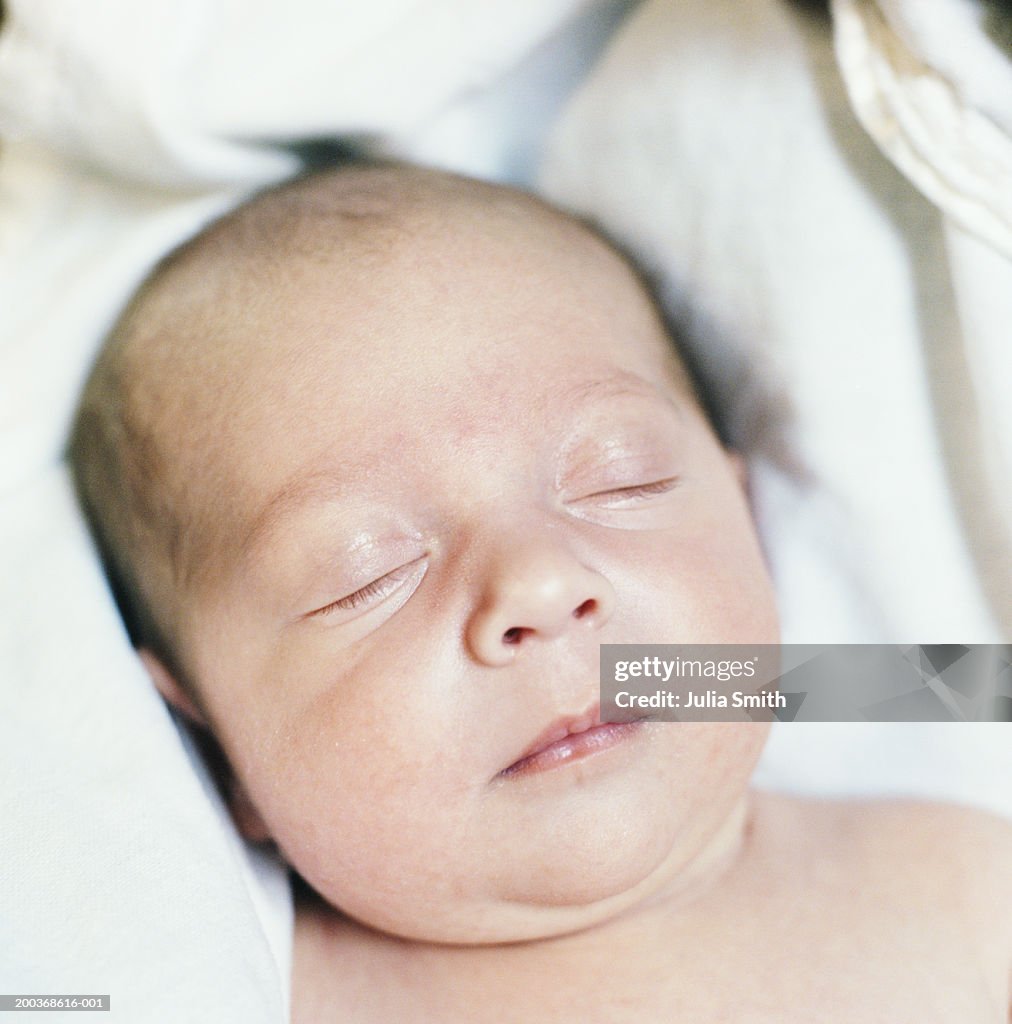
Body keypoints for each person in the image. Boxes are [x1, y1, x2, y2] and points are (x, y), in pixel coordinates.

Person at [69, 161, 1012, 1021]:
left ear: (749, 515)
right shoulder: (222, 992)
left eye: (620, 478)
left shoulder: (967, 896)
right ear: (213, 743)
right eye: (368, 575)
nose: (539, 584)